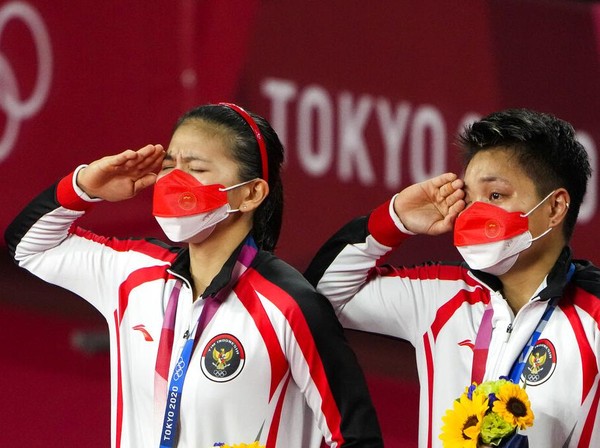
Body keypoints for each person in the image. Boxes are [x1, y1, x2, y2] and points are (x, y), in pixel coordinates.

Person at [5, 103, 383, 448]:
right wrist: (85, 187)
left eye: (197, 169)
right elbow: (28, 245)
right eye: (170, 166)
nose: (174, 181)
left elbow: (355, 437)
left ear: (250, 194)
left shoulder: (290, 306)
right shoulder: (133, 272)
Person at [305, 108, 600, 447]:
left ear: (555, 207)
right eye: (470, 199)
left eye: (495, 196)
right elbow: (319, 295)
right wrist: (395, 218)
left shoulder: (594, 317)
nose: (474, 213)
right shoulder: (440, 296)